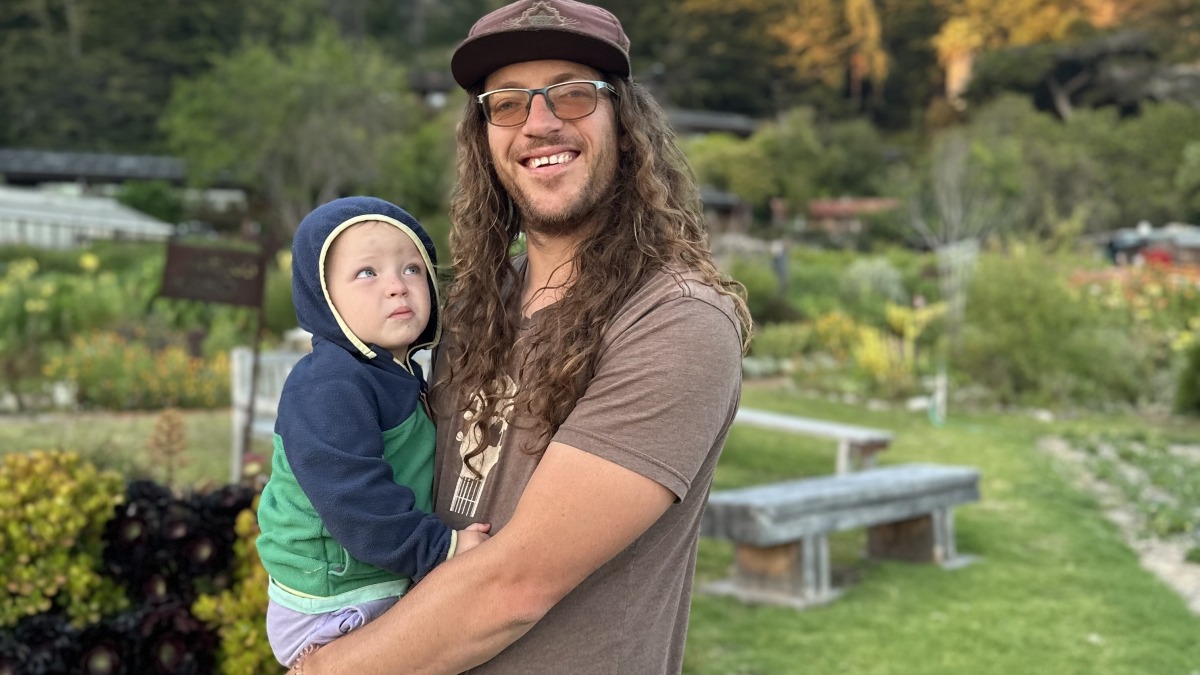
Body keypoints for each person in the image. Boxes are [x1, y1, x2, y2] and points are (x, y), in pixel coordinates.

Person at [292, 1, 752, 673]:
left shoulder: (676, 323)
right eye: (506, 104)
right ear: (484, 137)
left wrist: (322, 669)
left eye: (571, 94)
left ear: (624, 123)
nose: (539, 123)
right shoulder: (478, 302)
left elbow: (515, 585)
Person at [257, 196, 490, 668]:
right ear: (323, 296)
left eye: (412, 269)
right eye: (367, 273)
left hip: (367, 577)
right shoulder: (328, 383)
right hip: (333, 600)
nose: (396, 287)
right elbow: (352, 499)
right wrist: (442, 549)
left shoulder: (391, 370)